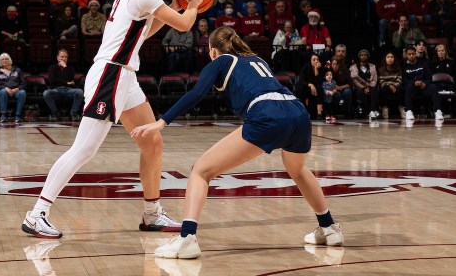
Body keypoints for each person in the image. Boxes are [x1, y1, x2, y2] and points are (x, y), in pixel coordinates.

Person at [21, 0, 211, 239]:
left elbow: (144, 33)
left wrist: (174, 7)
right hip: (111, 74)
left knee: (152, 141)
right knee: (85, 149)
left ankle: (152, 215)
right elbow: (187, 25)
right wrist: (194, 3)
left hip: (125, 76)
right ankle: (37, 214)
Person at [130, 26, 343, 259]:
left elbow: (196, 93)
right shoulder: (256, 59)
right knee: (299, 170)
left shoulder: (220, 61)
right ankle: (329, 228)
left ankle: (186, 238)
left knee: (200, 171)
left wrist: (162, 122)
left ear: (212, 50)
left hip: (268, 112)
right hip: (297, 111)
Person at [402, 45, 444, 121]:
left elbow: (429, 77)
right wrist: (414, 83)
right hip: (412, 88)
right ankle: (409, 111)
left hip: (423, 87)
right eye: (409, 54)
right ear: (406, 55)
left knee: (433, 87)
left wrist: (425, 83)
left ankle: (437, 111)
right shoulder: (404, 66)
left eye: (413, 54)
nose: (411, 56)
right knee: (408, 87)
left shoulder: (423, 64)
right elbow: (404, 81)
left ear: (415, 54)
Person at [43, 49, 84, 121]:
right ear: (57, 57)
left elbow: (69, 78)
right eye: (62, 57)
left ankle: (73, 113)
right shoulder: (52, 68)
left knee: (79, 92)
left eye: (66, 57)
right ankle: (55, 113)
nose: (64, 59)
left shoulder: (70, 68)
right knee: (46, 93)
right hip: (55, 90)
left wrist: (65, 67)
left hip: (68, 90)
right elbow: (52, 80)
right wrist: (66, 82)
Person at [0, 52, 26, 123]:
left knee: (22, 92)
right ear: (0, 61)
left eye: (6, 59)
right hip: (3, 91)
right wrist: (6, 88)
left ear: (10, 60)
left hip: (16, 90)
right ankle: (3, 116)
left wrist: (17, 89)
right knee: (3, 92)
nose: (4, 61)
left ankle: (18, 116)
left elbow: (23, 83)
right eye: (2, 59)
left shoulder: (17, 70)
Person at [431, 44, 456, 118]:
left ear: (445, 52)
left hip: (450, 85)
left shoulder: (451, 62)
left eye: (442, 50)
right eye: (439, 51)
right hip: (437, 85)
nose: (441, 52)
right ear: (436, 52)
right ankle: (436, 112)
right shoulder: (433, 63)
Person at [350, 49, 379, 120]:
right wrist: (364, 87)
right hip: (359, 88)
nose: (363, 56)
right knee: (359, 92)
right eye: (362, 55)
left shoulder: (372, 66)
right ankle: (370, 111)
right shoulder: (354, 67)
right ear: (359, 56)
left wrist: (368, 87)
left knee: (375, 88)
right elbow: (354, 80)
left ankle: (372, 110)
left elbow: (374, 80)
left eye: (365, 55)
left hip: (370, 86)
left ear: (368, 57)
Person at [297, 54, 324, 119]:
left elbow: (318, 82)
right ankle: (301, 112)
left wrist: (316, 69)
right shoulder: (305, 67)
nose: (316, 61)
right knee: (300, 89)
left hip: (315, 88)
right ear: (310, 61)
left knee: (319, 88)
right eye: (314, 60)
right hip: (306, 87)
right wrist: (310, 85)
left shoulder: (321, 68)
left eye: (317, 60)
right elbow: (301, 81)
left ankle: (319, 113)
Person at [378, 51, 403, 119]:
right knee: (384, 88)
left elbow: (399, 80)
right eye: (388, 57)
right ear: (385, 59)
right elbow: (381, 81)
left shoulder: (398, 69)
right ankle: (385, 108)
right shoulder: (381, 69)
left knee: (401, 88)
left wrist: (393, 86)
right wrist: (390, 86)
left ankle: (401, 107)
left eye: (392, 57)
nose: (390, 59)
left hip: (396, 87)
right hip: (386, 87)